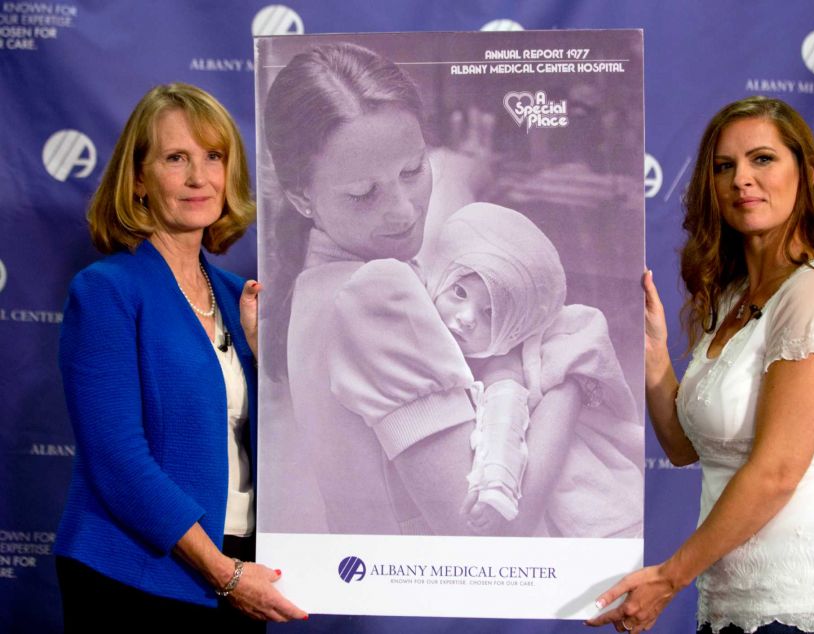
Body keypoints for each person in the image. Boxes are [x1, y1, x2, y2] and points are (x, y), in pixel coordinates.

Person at [587, 96, 814, 633]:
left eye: (762, 160)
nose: (741, 180)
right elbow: (684, 448)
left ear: (809, 174)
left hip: (805, 608)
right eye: (725, 167)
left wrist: (668, 579)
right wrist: (654, 351)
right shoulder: (729, 298)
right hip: (730, 608)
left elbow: (776, 473)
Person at [261, 42, 583, 537]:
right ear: (302, 197)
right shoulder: (375, 291)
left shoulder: (313, 287)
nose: (405, 211)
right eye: (363, 194)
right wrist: (570, 383)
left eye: (412, 171)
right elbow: (486, 532)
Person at [55, 83, 307, 630]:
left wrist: (270, 369)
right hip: (136, 579)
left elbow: (293, 445)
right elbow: (118, 458)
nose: (200, 178)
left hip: (242, 568)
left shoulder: (243, 297)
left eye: (213, 157)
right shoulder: (107, 292)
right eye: (176, 158)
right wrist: (224, 573)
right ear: (139, 179)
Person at [425, 202, 643, 537]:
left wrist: (497, 489)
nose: (467, 317)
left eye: (489, 313)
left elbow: (504, 424)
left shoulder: (503, 362)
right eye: (459, 292)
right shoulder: (422, 328)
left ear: (513, 326)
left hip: (574, 505)